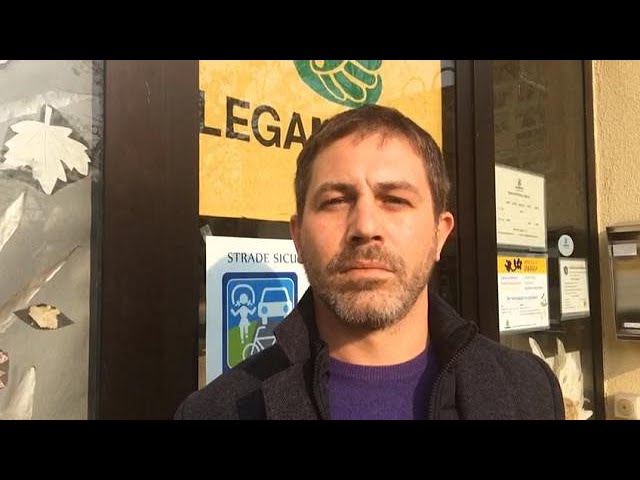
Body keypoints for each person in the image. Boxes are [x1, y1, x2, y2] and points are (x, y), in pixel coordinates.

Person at [175, 104, 565, 420]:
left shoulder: (529, 390)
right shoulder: (215, 412)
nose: (365, 227)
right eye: (335, 201)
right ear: (298, 236)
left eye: (395, 199)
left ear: (440, 233)